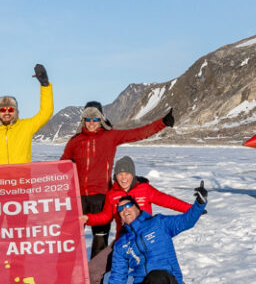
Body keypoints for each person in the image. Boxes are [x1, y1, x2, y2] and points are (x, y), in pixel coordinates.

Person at [91, 186, 207, 284]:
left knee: (155, 276)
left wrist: (199, 203)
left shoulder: (158, 223)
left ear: (137, 208)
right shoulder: (121, 244)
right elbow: (117, 279)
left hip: (167, 283)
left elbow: (186, 221)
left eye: (128, 205)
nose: (124, 210)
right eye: (120, 209)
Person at [62, 104, 178, 255]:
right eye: (88, 119)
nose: (91, 122)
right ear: (83, 120)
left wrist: (162, 123)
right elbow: (61, 166)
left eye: (95, 118)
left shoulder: (110, 136)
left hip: (101, 196)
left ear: (101, 119)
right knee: (72, 238)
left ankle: (98, 277)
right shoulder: (74, 141)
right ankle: (70, 274)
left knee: (100, 239)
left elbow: (138, 133)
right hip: (78, 197)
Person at [83, 158, 195, 284]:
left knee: (162, 274)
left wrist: (194, 209)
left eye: (127, 173)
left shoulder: (145, 189)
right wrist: (87, 218)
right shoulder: (112, 195)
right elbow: (105, 216)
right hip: (123, 243)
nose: (123, 177)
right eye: (120, 174)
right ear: (115, 176)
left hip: (148, 242)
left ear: (133, 174)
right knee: (92, 270)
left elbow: (167, 200)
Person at [0, 63, 57, 168]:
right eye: (3, 109)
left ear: (15, 112)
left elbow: (46, 112)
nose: (7, 113)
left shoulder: (26, 127)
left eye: (11, 109)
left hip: (21, 181)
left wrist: (45, 85)